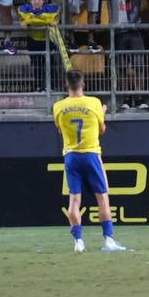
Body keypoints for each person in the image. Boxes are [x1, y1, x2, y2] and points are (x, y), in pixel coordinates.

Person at [53, 69, 130, 253]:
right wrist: (102, 113)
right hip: (91, 154)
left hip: (71, 155)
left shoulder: (58, 106)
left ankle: (78, 241)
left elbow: (60, 130)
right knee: (102, 197)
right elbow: (102, 130)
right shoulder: (94, 103)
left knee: (74, 200)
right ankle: (108, 240)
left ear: (66, 85)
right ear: (83, 84)